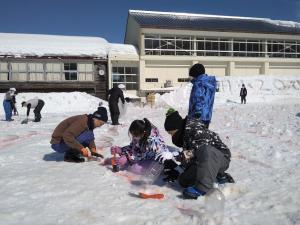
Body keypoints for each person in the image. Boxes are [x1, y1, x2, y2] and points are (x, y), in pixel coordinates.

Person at [164, 108, 234, 199]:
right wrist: (177, 167)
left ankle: (202, 188)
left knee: (205, 151)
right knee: (184, 180)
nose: (171, 136)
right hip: (204, 160)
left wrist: (184, 156)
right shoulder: (185, 133)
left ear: (177, 128)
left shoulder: (196, 130)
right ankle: (218, 175)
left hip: (220, 158)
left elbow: (203, 152)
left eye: (171, 133)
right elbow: (192, 155)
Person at [111, 118, 180, 182]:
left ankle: (163, 171)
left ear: (143, 133)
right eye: (133, 135)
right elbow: (133, 147)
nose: (134, 137)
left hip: (158, 162)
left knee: (136, 168)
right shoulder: (139, 135)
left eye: (135, 135)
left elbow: (154, 156)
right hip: (145, 157)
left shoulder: (153, 142)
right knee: (127, 161)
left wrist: (131, 158)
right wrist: (121, 150)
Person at [188, 63, 217, 128]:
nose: (191, 78)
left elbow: (199, 99)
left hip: (197, 118)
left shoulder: (199, 83)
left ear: (195, 74)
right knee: (203, 136)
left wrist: (197, 115)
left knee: (196, 136)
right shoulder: (209, 82)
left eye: (192, 76)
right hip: (207, 116)